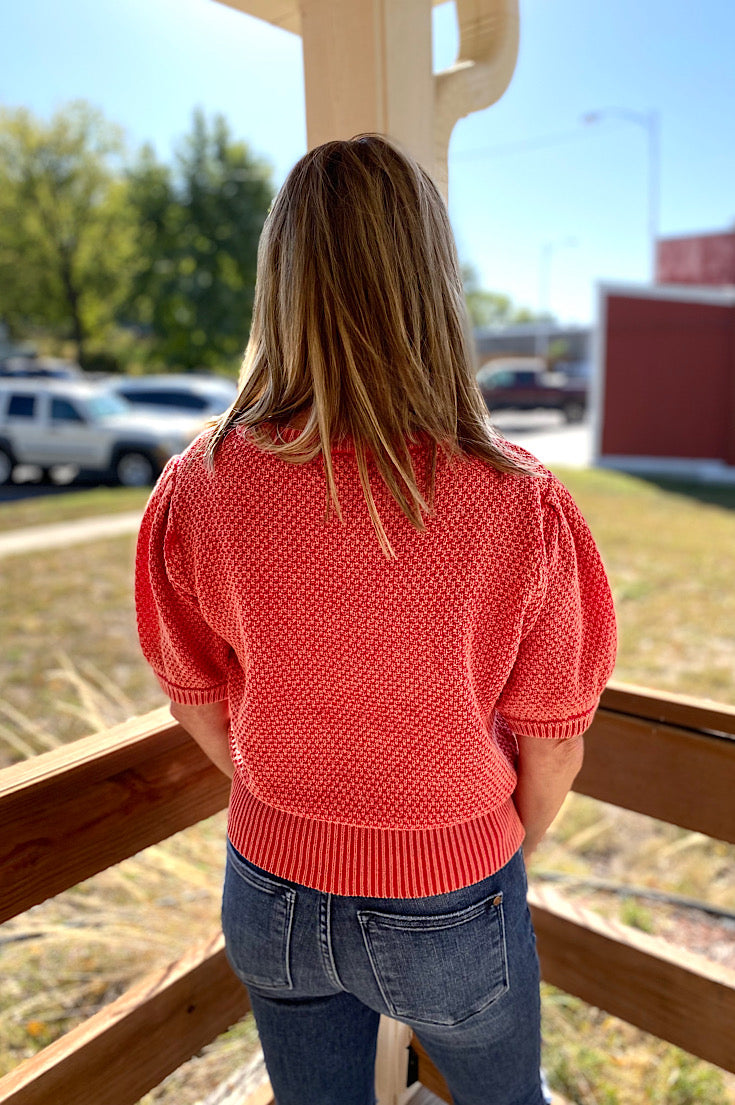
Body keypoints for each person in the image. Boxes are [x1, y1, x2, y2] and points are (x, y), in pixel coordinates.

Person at [135, 134, 617, 1105]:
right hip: (453, 891)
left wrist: (295, 799)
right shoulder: (517, 499)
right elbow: (553, 743)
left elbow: (196, 695)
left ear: (280, 278)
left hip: (267, 880)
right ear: (434, 284)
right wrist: (494, 846)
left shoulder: (203, 482)